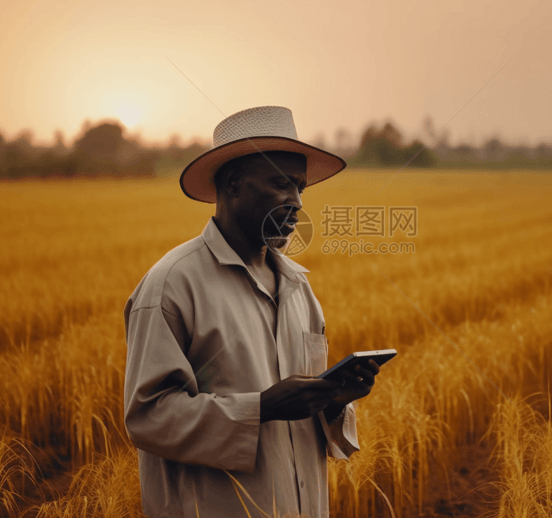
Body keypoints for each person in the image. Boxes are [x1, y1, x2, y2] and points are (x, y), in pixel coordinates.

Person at [123, 105, 382, 517]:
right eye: (280, 184)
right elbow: (149, 416)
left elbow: (302, 405)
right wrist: (261, 408)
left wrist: (334, 399)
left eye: (300, 187)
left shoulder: (298, 287)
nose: (296, 202)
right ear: (233, 184)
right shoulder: (173, 284)